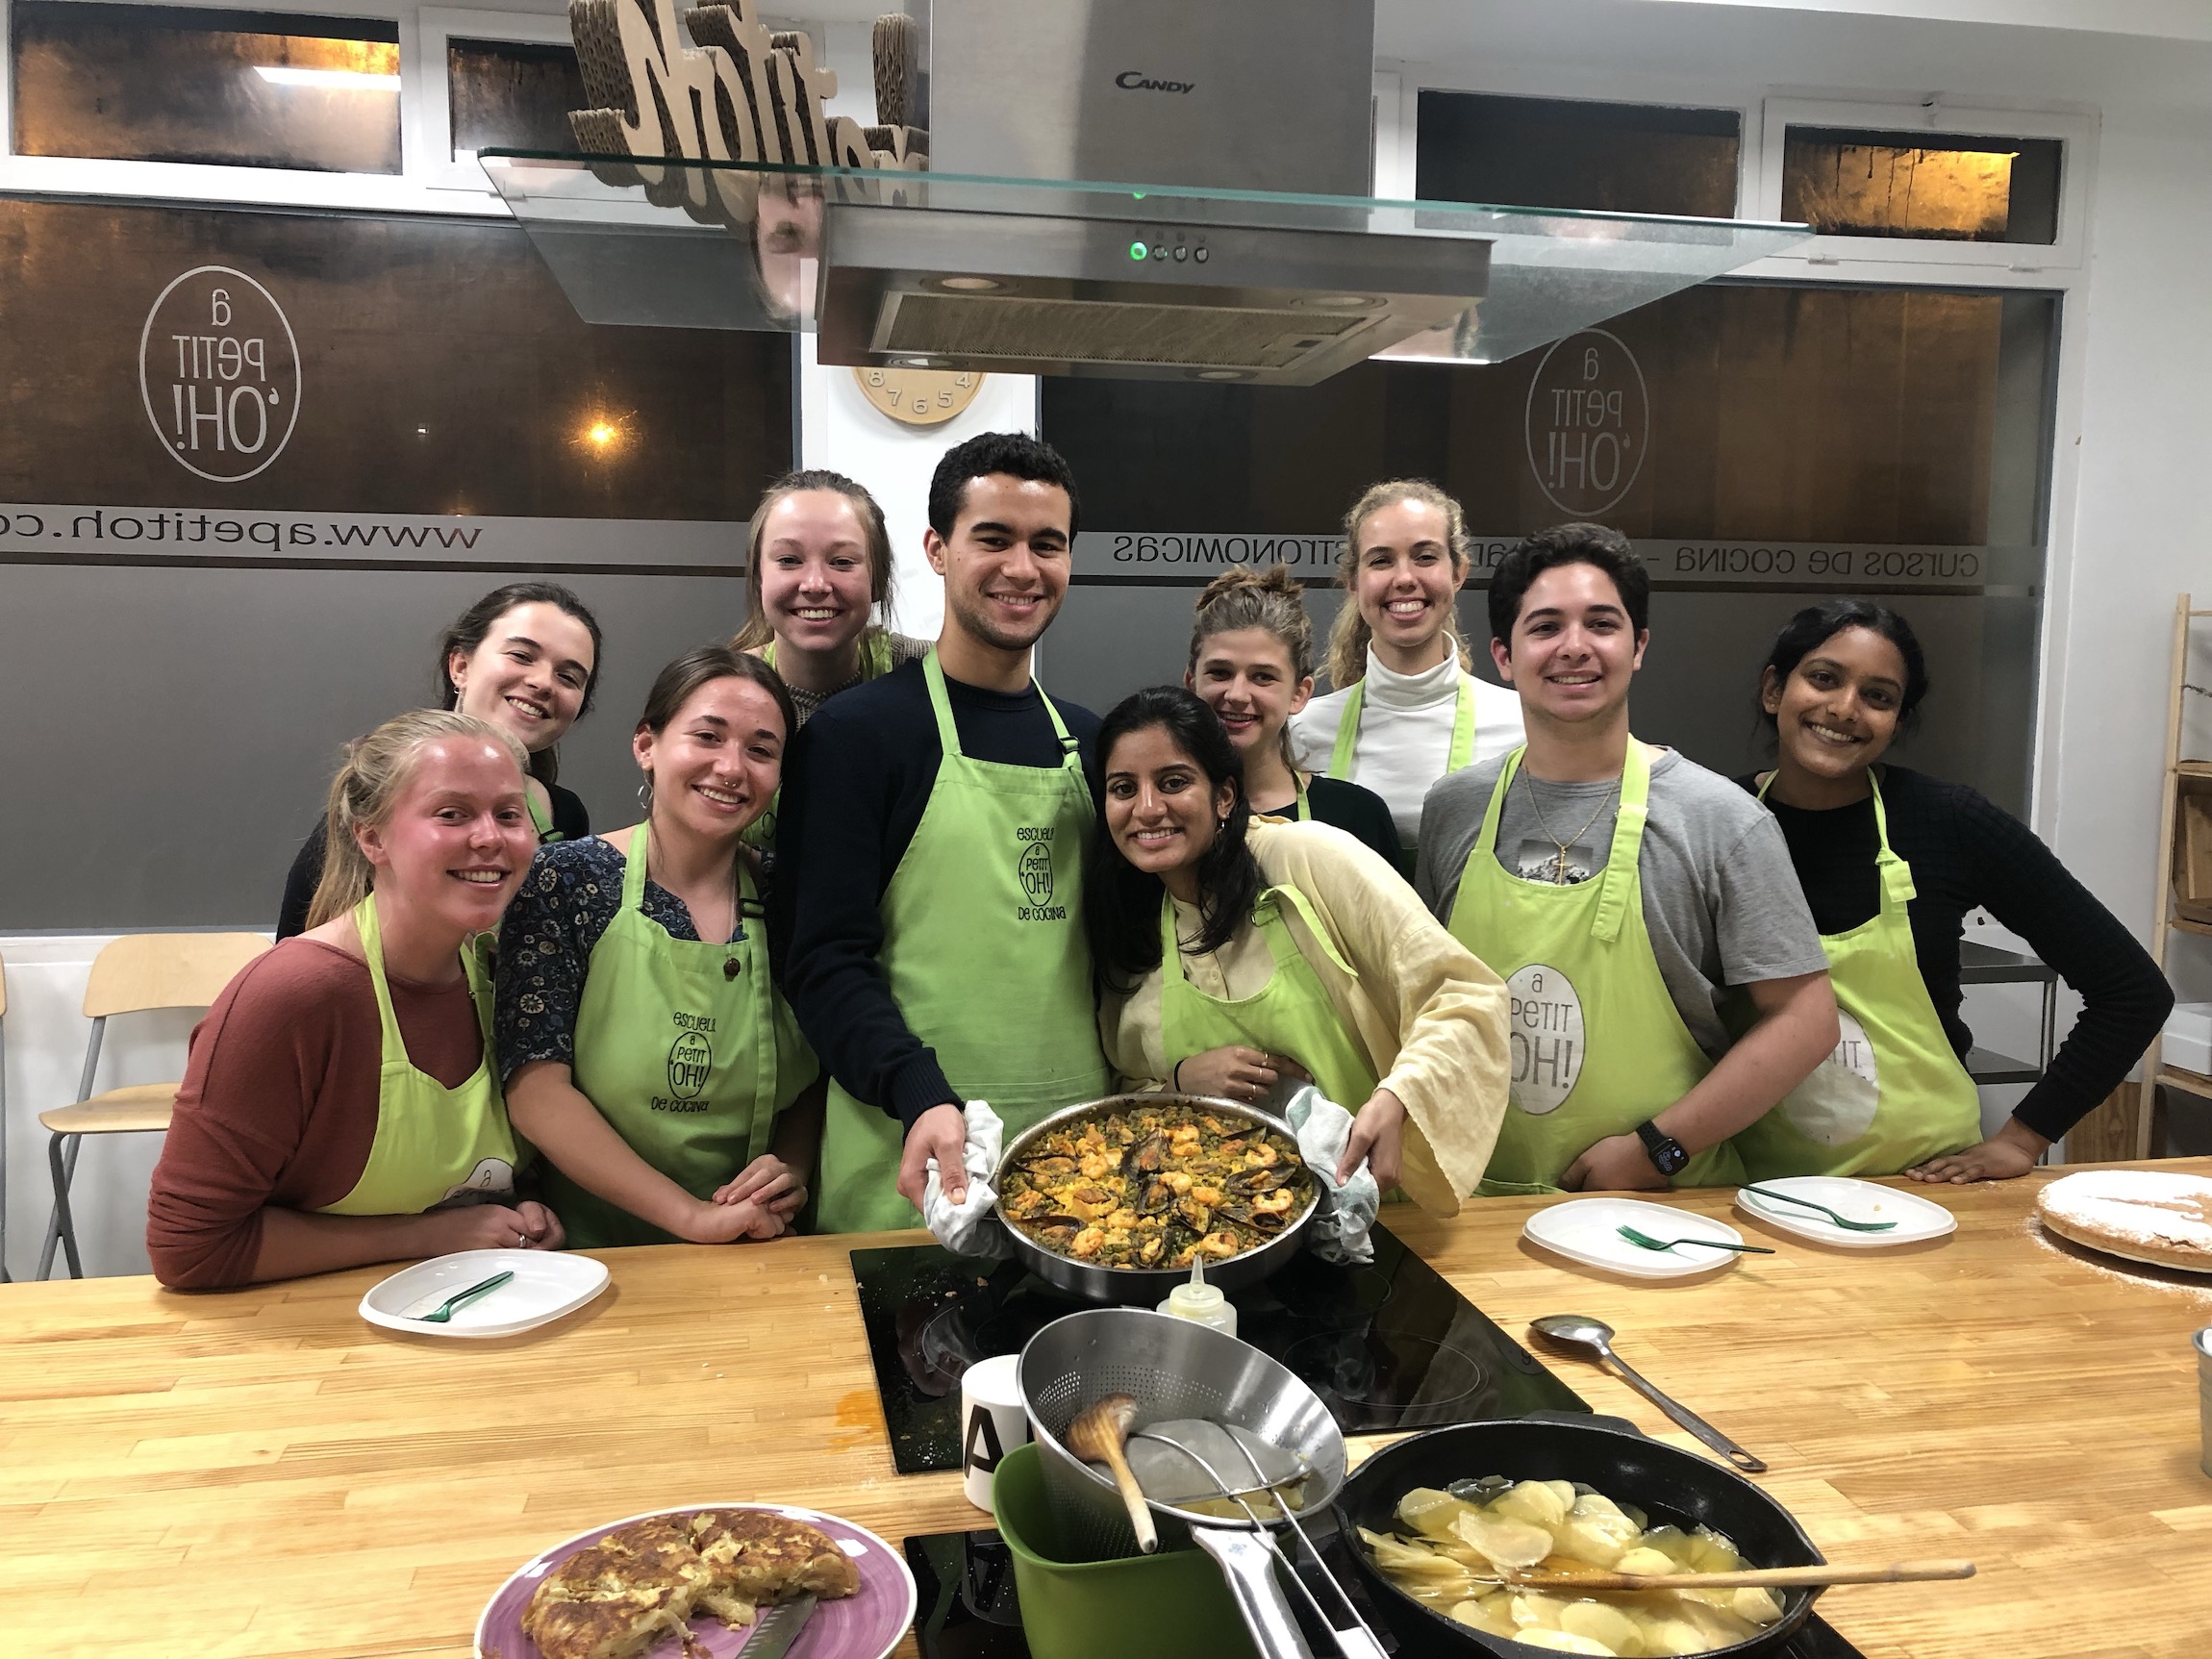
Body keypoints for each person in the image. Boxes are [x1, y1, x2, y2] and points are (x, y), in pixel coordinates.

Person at [1416, 523, 1838, 1194]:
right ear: (1503, 653)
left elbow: (1808, 1021)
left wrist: (1659, 1146)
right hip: (1475, 1203)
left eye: (1602, 624)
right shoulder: (1454, 809)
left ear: (1638, 646)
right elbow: (1432, 998)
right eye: (1546, 626)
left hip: (1657, 1212)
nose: (1575, 647)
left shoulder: (1719, 819)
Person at [776, 432, 1109, 1232]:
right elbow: (821, 960)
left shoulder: (1094, 743)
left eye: (1047, 544)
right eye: (992, 538)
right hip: (909, 1159)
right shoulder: (859, 736)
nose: (1022, 568)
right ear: (937, 548)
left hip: (1083, 1168)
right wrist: (916, 1087)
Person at [1738, 600, 2174, 1182]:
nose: (1844, 709)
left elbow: (2134, 992)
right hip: (1745, 1183)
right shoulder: (1720, 822)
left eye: (1879, 696)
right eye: (1823, 678)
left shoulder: (1950, 821)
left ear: (1897, 718)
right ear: (1774, 690)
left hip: (1923, 1185)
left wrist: (2023, 1140)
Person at [149, 711, 561, 1288]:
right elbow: (188, 1250)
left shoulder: (499, 978)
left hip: (461, 1310)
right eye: (452, 814)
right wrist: (429, 1237)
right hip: (304, 1339)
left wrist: (527, 1211)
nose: (490, 837)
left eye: (509, 815)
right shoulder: (291, 997)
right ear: (372, 837)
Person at [1089, 687, 1508, 1208]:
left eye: (1174, 783)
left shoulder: (1306, 857)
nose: (1147, 809)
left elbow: (1464, 993)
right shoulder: (1134, 921)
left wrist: (1401, 1096)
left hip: (1381, 1212)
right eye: (1123, 788)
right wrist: (1181, 1081)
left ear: (1224, 796)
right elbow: (1129, 1085)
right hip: (1237, 1230)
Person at [495, 647, 819, 1248]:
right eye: (707, 737)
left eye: (761, 750)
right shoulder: (565, 880)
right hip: (596, 1254)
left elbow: (812, 1074)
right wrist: (691, 1218)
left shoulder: (787, 895)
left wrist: (790, 1172)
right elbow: (536, 1092)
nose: (731, 768)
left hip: (759, 1245)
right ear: (647, 745)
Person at [277, 584, 603, 939]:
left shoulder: (566, 815)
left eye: (568, 677)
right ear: (461, 665)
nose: (543, 682)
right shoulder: (373, 803)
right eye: (522, 656)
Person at [1288, 480, 1522, 856]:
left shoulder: (1522, 728)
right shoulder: (1302, 732)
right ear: (1353, 583)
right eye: (1381, 560)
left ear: (1458, 573)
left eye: (1425, 557)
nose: (1404, 578)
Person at [1184, 566, 1400, 871]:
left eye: (1263, 677)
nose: (1237, 694)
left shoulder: (1355, 816)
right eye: (1220, 673)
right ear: (1191, 683)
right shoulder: (1164, 816)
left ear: (1299, 694)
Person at [730, 468, 930, 728]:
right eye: (789, 560)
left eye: (842, 562)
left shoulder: (930, 674)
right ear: (758, 577)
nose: (815, 585)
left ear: (878, 580)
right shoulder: (722, 693)